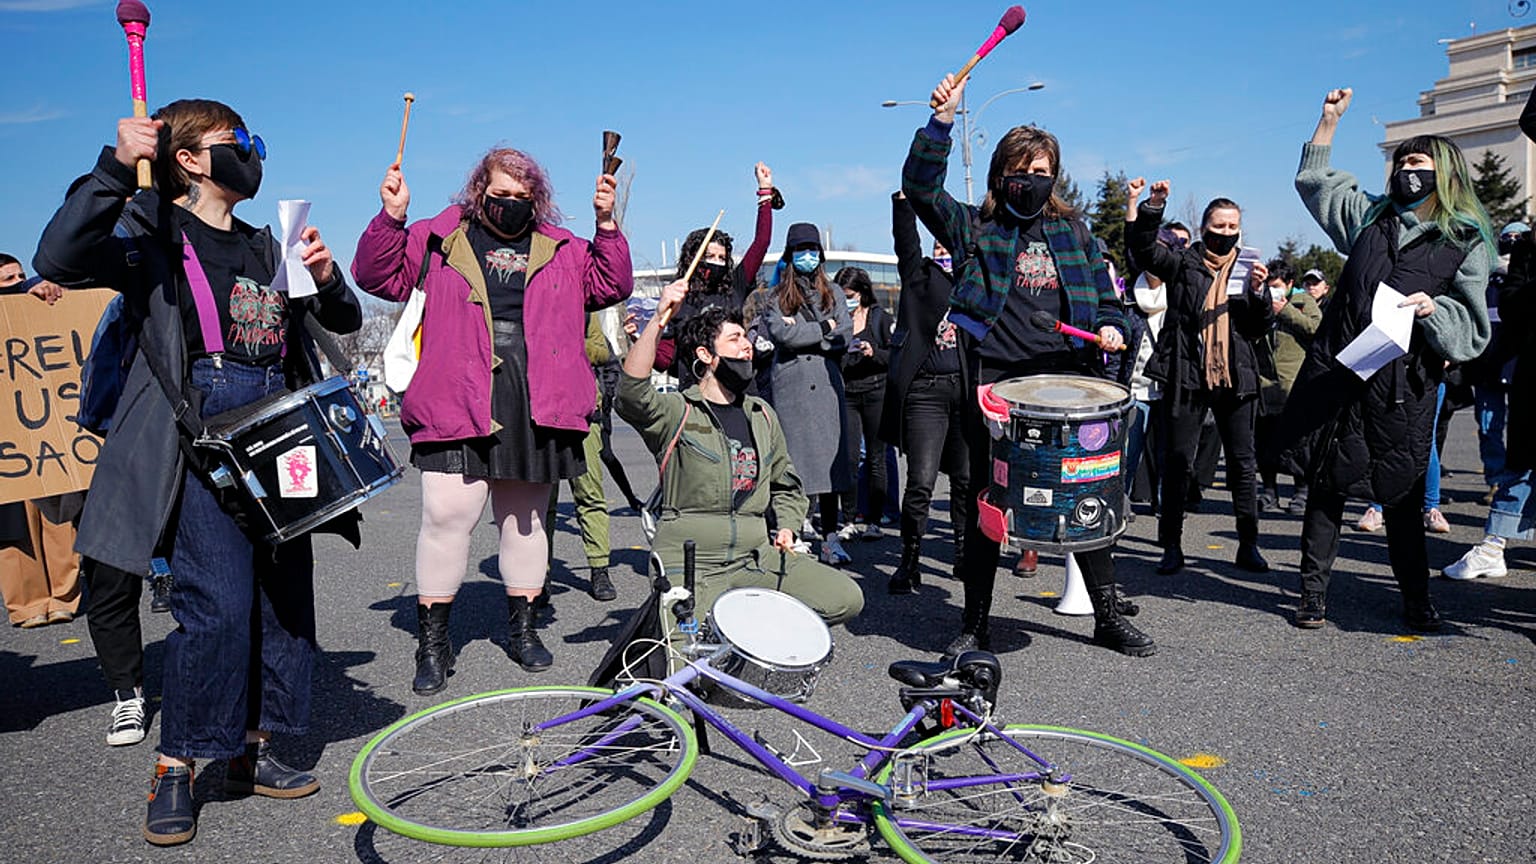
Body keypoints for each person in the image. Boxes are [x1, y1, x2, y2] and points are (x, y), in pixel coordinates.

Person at [33, 99, 363, 845]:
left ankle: (257, 747)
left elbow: (338, 322)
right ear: (188, 159)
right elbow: (56, 257)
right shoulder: (149, 234)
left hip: (280, 429)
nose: (252, 152)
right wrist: (116, 166)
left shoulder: (264, 244)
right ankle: (178, 762)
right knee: (214, 606)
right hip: (199, 431)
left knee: (283, 601)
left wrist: (327, 274)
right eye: (235, 143)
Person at [352, 146, 631, 686]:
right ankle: (432, 644)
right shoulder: (439, 236)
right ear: (479, 191)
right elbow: (376, 275)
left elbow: (610, 286)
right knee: (445, 517)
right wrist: (392, 216)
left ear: (537, 200)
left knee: (524, 523)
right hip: (457, 387)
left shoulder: (564, 246)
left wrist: (607, 226)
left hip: (537, 393)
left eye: (522, 198)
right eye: (500, 195)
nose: (510, 205)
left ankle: (524, 630)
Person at [904, 72, 1153, 658]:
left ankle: (1107, 616)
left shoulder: (1074, 232)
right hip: (998, 389)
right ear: (1000, 175)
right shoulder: (975, 227)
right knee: (991, 503)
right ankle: (976, 623)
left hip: (1069, 386)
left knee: (1085, 493)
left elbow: (1110, 299)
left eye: (1043, 173)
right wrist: (942, 122)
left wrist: (1115, 326)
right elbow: (919, 188)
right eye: (1022, 171)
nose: (1032, 182)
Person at [1280, 88, 1493, 630]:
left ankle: (1416, 600)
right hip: (1343, 371)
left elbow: (1472, 330)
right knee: (1326, 487)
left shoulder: (1465, 240)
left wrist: (1434, 309)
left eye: (1417, 163)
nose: (1405, 171)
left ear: (1443, 173)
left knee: (1399, 495)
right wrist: (1327, 121)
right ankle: (1311, 595)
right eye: (1400, 162)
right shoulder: (1370, 220)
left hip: (1404, 385)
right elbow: (1315, 184)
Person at [617, 280, 863, 661]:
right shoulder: (677, 412)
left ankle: (747, 626)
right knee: (688, 667)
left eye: (746, 338)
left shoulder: (762, 414)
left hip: (756, 558)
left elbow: (787, 484)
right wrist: (660, 318)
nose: (747, 345)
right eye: (734, 340)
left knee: (845, 598)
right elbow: (631, 392)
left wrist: (788, 525)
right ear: (706, 355)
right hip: (692, 565)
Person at [1127, 178, 1275, 576]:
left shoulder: (1248, 268)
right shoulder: (1182, 262)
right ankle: (1171, 546)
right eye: (1219, 225)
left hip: (1237, 376)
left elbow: (1258, 327)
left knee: (1243, 464)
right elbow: (1142, 248)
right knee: (1177, 462)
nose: (1226, 233)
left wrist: (1260, 295)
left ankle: (1249, 544)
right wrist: (1153, 206)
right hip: (1187, 374)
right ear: (1205, 225)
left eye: (1232, 227)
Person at [881, 192, 970, 594]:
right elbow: (907, 243)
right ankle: (909, 559)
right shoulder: (919, 276)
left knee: (967, 479)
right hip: (925, 393)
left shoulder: (975, 279)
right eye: (937, 243)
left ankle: (964, 553)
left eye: (946, 241)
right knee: (920, 481)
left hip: (965, 392)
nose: (942, 248)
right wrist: (905, 206)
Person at [761, 222, 856, 566]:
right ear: (790, 254)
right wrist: (824, 328)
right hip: (792, 386)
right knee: (794, 463)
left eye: (812, 249)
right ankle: (793, 533)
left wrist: (806, 330)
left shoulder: (835, 292)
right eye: (800, 250)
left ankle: (831, 536)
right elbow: (781, 336)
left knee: (831, 466)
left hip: (827, 384)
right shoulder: (774, 297)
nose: (807, 256)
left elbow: (844, 334)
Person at [652, 162, 778, 388]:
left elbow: (761, 243)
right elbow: (664, 362)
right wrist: (640, 336)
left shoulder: (735, 285)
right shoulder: (679, 296)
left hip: (739, 388)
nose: (717, 263)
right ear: (693, 259)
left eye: (722, 258)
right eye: (710, 256)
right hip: (695, 393)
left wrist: (765, 192)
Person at [545, 314, 618, 602]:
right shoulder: (527, 295)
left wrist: (563, 342)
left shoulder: (583, 306)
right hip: (540, 412)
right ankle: (539, 575)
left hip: (583, 413)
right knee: (541, 503)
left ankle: (599, 569)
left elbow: (601, 352)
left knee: (590, 496)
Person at [1256, 258, 1322, 515]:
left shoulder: (1305, 302)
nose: (1272, 291)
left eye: (1277, 286)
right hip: (1264, 386)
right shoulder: (1259, 304)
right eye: (1269, 286)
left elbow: (1317, 330)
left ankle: (1301, 492)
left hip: (1294, 385)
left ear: (1289, 285)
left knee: (1298, 445)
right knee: (1265, 444)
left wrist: (1284, 310)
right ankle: (1269, 492)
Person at [835, 265, 894, 541]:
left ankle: (874, 520)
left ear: (862, 292)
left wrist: (874, 353)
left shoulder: (880, 318)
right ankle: (847, 519)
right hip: (847, 393)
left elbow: (895, 356)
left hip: (876, 391)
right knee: (848, 457)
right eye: (842, 294)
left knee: (875, 457)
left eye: (850, 294)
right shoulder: (837, 319)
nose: (847, 300)